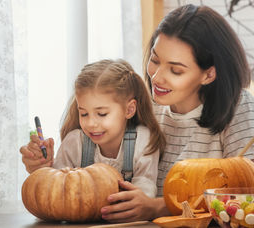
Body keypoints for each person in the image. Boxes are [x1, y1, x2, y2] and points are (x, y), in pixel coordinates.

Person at [101, 4, 254, 222]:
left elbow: (246, 192)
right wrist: (45, 167)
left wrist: (158, 207)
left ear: (208, 75)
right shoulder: (145, 106)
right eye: (154, 60)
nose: (156, 78)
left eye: (176, 70)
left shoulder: (238, 106)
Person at [20, 59, 166, 223]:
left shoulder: (143, 140)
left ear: (129, 109)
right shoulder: (75, 142)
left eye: (102, 114)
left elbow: (144, 191)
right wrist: (43, 168)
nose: (90, 123)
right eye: (84, 114)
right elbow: (55, 190)